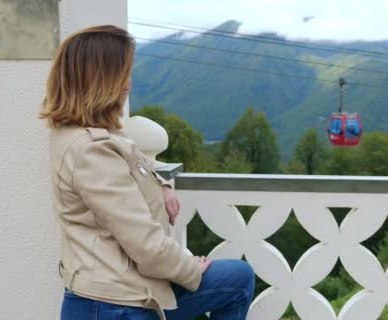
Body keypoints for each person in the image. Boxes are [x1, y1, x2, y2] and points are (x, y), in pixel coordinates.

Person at [39, 25, 254, 320]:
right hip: (116, 305)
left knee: (237, 277)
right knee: (238, 280)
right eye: (125, 72)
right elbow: (146, 246)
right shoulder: (92, 149)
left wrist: (162, 186)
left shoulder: (89, 134)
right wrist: (192, 268)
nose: (129, 82)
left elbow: (130, 160)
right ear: (105, 79)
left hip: (115, 293)